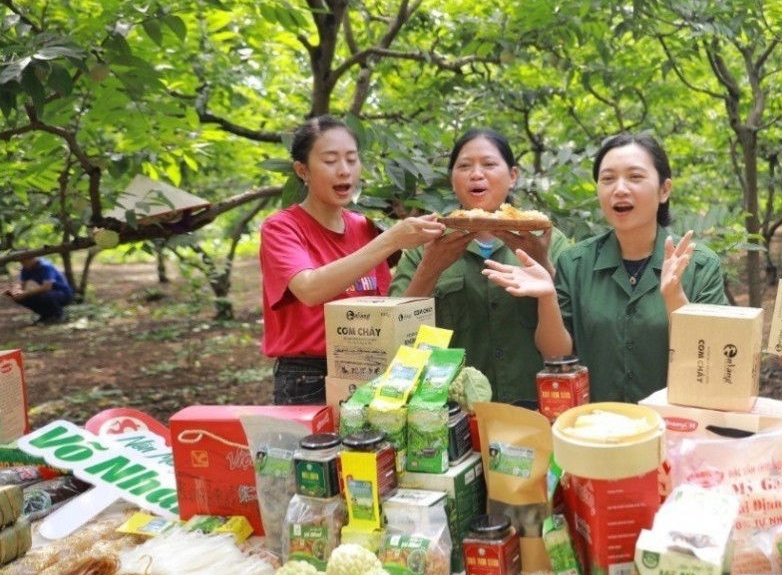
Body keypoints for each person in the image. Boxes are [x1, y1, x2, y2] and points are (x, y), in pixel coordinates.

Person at [482, 131, 728, 403]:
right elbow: (556, 356)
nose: (619, 189)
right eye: (608, 179)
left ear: (664, 190)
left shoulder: (700, 265)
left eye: (635, 177)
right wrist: (547, 297)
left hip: (677, 428)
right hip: (597, 427)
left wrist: (674, 298)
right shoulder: (575, 263)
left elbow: (717, 363)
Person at [260, 115, 444, 405]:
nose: (344, 171)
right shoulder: (282, 227)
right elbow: (309, 290)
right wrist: (392, 239)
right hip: (309, 378)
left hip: (372, 369)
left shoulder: (365, 227)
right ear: (302, 170)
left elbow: (386, 309)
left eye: (352, 159)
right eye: (330, 161)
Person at [388, 128, 570, 403]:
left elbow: (572, 330)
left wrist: (542, 261)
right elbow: (395, 340)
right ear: (452, 179)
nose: (476, 174)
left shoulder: (548, 240)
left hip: (534, 405)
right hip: (450, 410)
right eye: (464, 166)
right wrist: (430, 268)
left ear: (512, 176)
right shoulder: (425, 243)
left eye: (489, 164)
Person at [5, 256, 74, 325]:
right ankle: (46, 315)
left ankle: (59, 315)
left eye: (24, 262)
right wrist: (15, 291)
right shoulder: (26, 268)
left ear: (31, 259)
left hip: (63, 294)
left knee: (45, 296)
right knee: (21, 298)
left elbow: (47, 287)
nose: (22, 264)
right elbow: (22, 284)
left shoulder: (45, 266)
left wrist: (25, 293)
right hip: (49, 294)